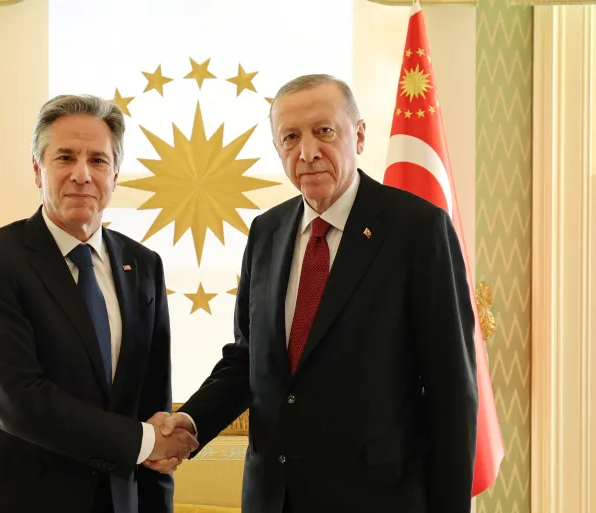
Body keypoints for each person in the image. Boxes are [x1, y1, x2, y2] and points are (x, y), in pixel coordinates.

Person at [147, 75, 478, 513]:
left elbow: (451, 391)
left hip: (377, 499)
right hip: (272, 498)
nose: (307, 152)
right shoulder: (266, 231)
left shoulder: (417, 229)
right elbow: (248, 358)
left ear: (359, 135)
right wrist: (190, 422)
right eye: (290, 137)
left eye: (324, 131)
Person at [0, 94, 198, 513]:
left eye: (98, 160)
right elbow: (20, 402)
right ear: (37, 170)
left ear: (115, 175)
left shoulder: (143, 265)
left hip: (111, 501)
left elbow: (152, 402)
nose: (82, 174)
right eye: (65, 157)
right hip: (8, 498)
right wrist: (146, 440)